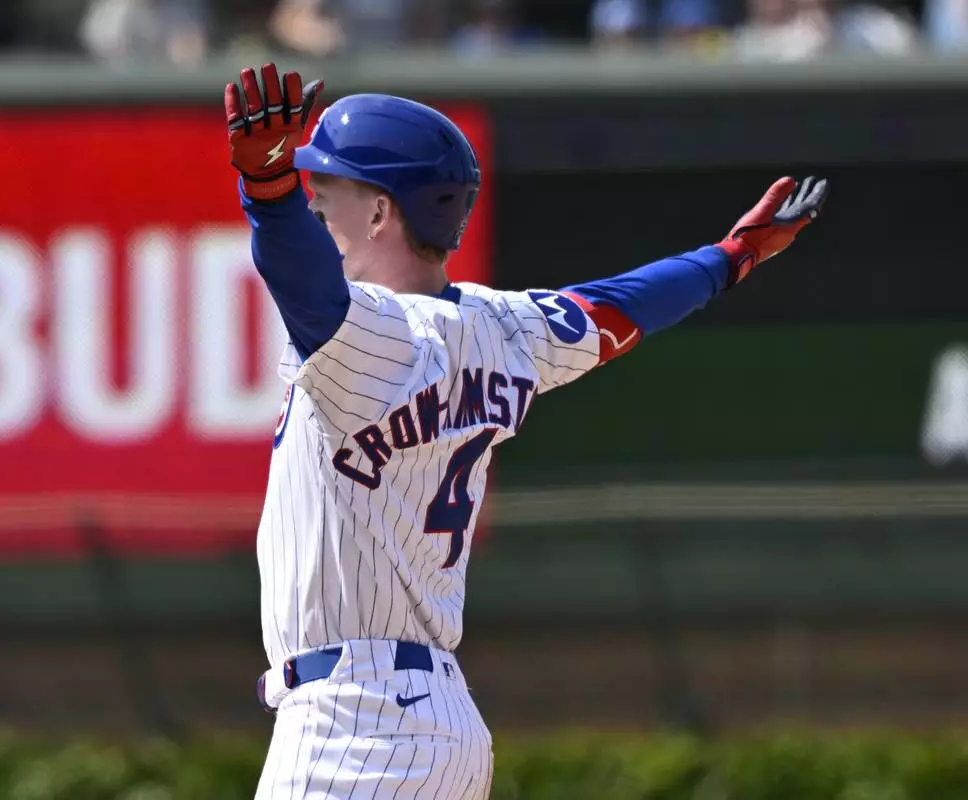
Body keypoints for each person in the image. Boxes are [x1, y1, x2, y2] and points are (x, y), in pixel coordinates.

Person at [225, 63, 828, 798]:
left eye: (326, 196)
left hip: (353, 723)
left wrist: (267, 189)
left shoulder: (365, 332)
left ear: (380, 213)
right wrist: (731, 258)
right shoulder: (505, 328)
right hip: (439, 724)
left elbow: (301, 280)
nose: (315, 209)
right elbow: (621, 306)